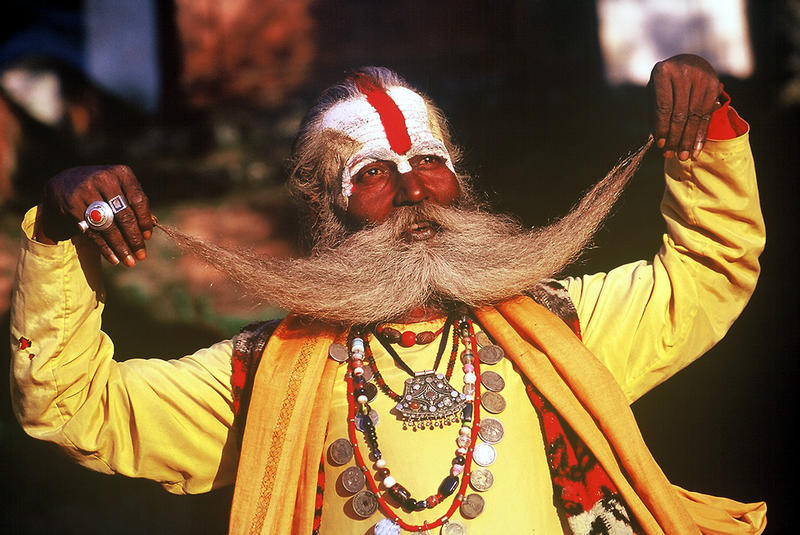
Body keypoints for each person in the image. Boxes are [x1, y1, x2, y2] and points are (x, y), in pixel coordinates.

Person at [9, 54, 766, 534]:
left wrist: (707, 126)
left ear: (460, 183)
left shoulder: (558, 325)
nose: (411, 187)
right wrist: (58, 233)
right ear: (328, 214)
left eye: (427, 160)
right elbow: (76, 407)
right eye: (371, 172)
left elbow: (708, 269)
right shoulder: (268, 368)